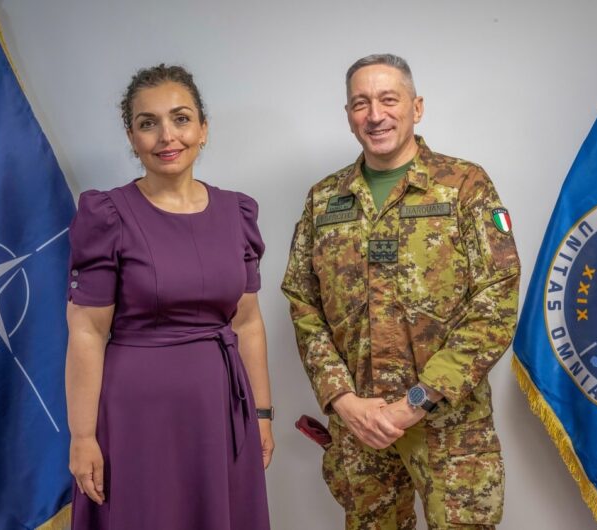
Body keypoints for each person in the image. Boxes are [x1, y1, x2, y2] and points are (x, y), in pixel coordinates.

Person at [282, 54, 520, 529]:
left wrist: (416, 401)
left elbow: (497, 300)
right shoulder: (324, 200)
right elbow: (303, 304)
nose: (375, 115)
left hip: (448, 424)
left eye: (389, 99)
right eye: (361, 103)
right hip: (361, 427)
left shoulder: (464, 186)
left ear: (417, 107)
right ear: (348, 114)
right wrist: (342, 399)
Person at [65, 64, 273, 530]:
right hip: (135, 414)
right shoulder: (107, 215)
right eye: (148, 123)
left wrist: (261, 412)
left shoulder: (237, 212)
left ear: (203, 128)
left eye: (180, 118)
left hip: (222, 409)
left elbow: (247, 322)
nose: (167, 136)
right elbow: (87, 331)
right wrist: (82, 436)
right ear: (131, 136)